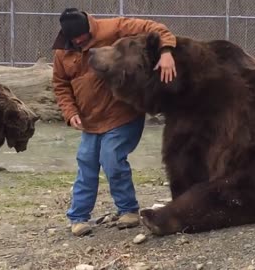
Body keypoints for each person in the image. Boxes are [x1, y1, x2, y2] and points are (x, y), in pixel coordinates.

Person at [51, 8, 177, 236]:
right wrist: (70, 113)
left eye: (82, 35)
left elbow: (155, 28)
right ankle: (78, 217)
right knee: (86, 165)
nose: (79, 40)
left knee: (111, 159)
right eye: (74, 38)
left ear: (89, 27)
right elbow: (60, 85)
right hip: (90, 120)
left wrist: (166, 49)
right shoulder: (62, 52)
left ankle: (128, 210)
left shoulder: (113, 28)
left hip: (121, 115)